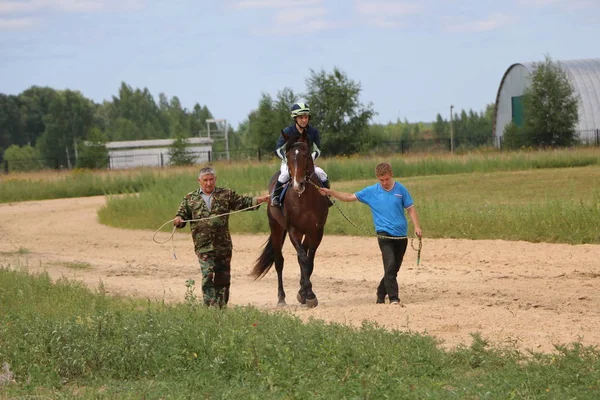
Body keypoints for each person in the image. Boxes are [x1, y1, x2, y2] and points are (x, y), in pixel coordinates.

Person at [318, 162, 422, 306]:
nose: (384, 183)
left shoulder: (401, 189)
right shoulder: (371, 191)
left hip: (401, 235)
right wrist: (331, 192)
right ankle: (394, 298)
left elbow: (410, 208)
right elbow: (349, 197)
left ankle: (380, 291)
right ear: (377, 178)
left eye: (386, 179)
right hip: (384, 234)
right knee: (390, 264)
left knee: (394, 269)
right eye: (381, 180)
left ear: (391, 175)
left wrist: (417, 227)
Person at [173, 167, 270, 307]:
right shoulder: (190, 198)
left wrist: (261, 199)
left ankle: (221, 308)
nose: (208, 183)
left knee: (223, 277)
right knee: (208, 275)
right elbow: (181, 215)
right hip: (203, 246)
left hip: (223, 245)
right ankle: (210, 307)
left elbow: (243, 202)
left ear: (215, 179)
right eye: (205, 180)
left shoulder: (226, 194)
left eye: (211, 179)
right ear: (199, 181)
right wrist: (178, 219)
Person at [271, 102, 330, 207]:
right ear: (295, 118)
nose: (304, 120)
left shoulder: (313, 132)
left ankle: (327, 197)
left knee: (321, 173)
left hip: (307, 161)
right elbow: (278, 149)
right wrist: (288, 159)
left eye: (306, 117)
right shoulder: (288, 131)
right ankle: (275, 197)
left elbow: (318, 150)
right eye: (301, 117)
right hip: (290, 161)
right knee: (284, 175)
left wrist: (310, 158)